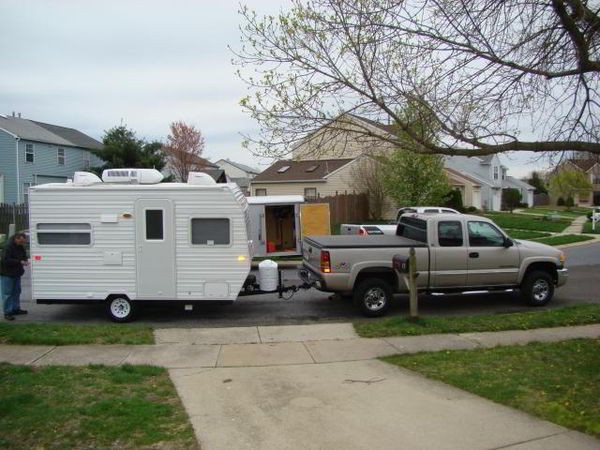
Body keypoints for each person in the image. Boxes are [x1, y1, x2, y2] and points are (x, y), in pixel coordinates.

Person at [1, 233, 29, 320]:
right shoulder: (8, 247)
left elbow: (24, 256)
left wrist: (25, 260)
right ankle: (7, 312)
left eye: (23, 241)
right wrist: (19, 262)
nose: (22, 242)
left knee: (17, 291)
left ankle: (16, 308)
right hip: (7, 274)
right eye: (21, 240)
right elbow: (5, 260)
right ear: (16, 239)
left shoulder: (20, 247)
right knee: (7, 294)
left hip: (17, 273)